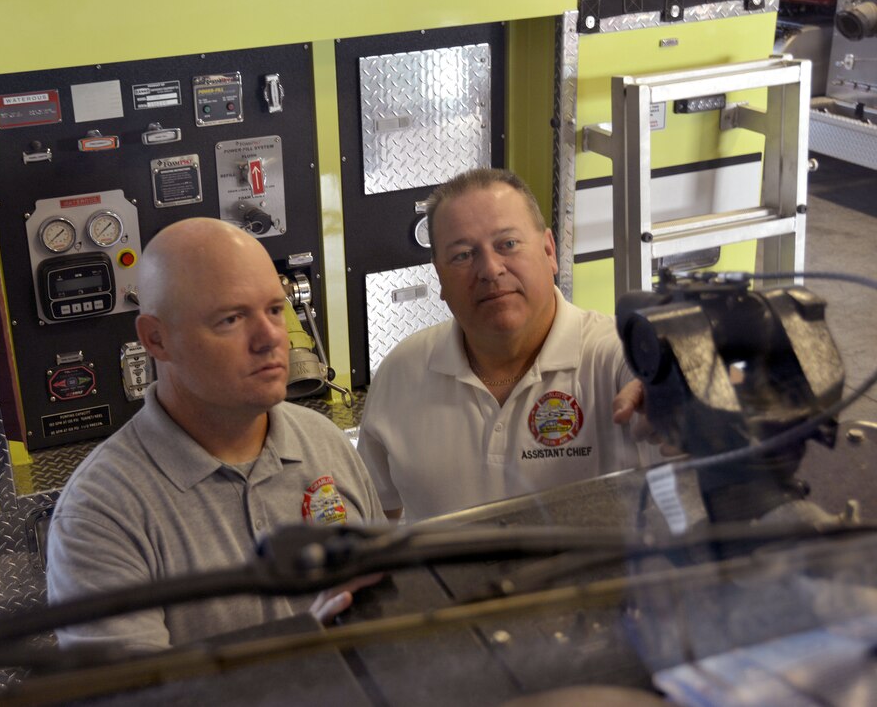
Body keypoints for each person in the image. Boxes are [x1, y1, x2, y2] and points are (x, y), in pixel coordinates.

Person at [47, 217, 384, 653]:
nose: (270, 339)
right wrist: (299, 654)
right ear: (156, 339)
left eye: (276, 310)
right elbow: (131, 696)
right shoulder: (102, 513)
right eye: (230, 319)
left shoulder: (323, 442)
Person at [357, 168, 644, 522]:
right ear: (439, 277)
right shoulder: (400, 373)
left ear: (549, 250)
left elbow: (660, 384)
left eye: (507, 244)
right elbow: (375, 516)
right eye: (462, 255)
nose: (490, 270)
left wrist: (672, 390)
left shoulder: (614, 354)